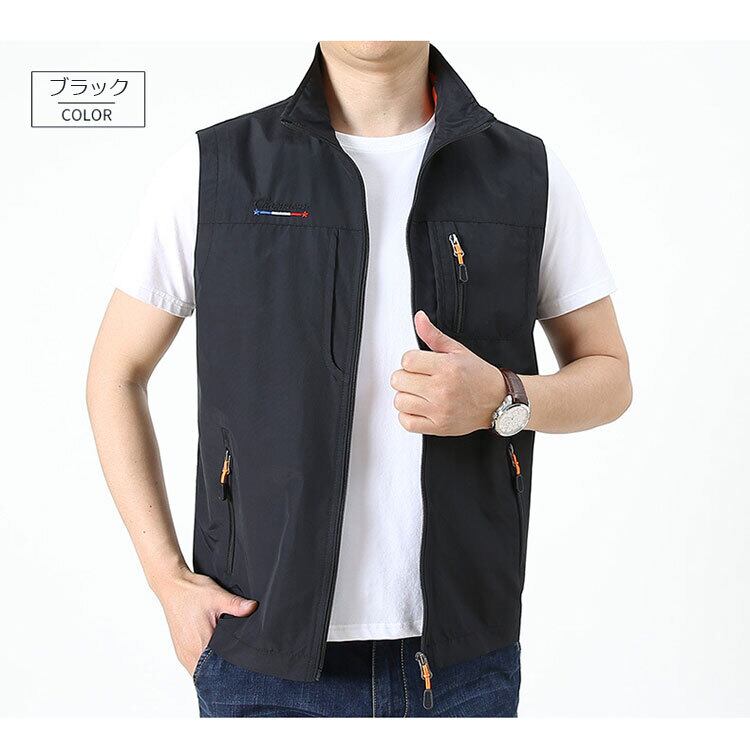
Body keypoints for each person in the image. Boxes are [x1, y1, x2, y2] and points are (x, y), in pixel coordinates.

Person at [87, 41, 631, 718]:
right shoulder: (215, 169)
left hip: (463, 660)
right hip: (260, 653)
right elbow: (115, 372)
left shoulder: (524, 172)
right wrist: (166, 579)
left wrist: (503, 396)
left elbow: (609, 376)